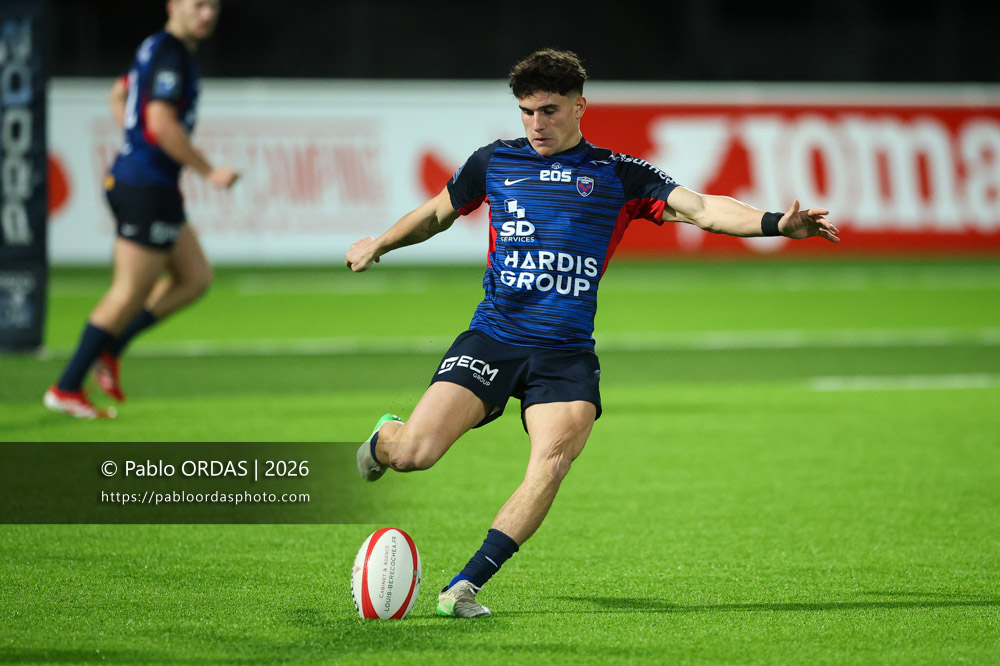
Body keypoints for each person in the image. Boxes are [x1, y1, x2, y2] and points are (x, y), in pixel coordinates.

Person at [345, 48, 839, 618]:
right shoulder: (495, 162)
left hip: (565, 354)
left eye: (549, 110)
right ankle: (386, 437)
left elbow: (702, 208)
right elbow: (437, 212)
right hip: (495, 337)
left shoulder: (619, 174)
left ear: (579, 106)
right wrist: (380, 243)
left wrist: (778, 223)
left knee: (552, 460)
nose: (536, 123)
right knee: (414, 455)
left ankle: (465, 587)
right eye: (527, 111)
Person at [44, 0, 238, 419]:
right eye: (198, 4)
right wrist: (210, 172)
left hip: (153, 185)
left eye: (213, 6)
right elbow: (161, 124)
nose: (207, 14)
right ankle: (66, 387)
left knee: (195, 277)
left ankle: (109, 350)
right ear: (173, 5)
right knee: (128, 292)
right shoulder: (171, 54)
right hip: (144, 187)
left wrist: (136, 138)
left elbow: (119, 95)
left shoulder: (157, 47)